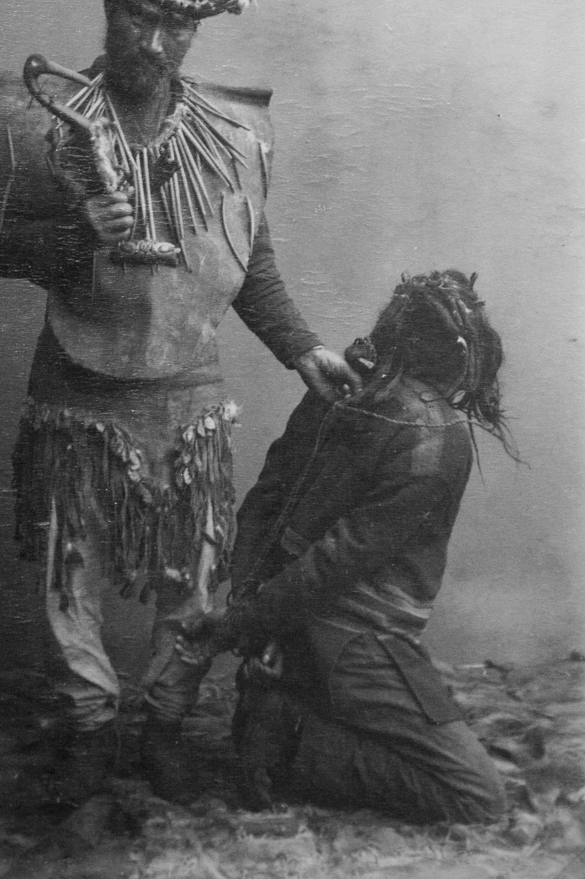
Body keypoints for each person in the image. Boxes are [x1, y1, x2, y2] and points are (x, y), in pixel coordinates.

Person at [0, 0, 358, 804]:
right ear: (108, 7)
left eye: (176, 28)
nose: (152, 43)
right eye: (137, 17)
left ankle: (164, 724)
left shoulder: (233, 136)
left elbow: (248, 261)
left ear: (198, 31)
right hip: (76, 387)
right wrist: (78, 230)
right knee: (70, 569)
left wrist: (302, 347)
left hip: (188, 390)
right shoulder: (43, 118)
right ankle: (89, 728)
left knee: (196, 570)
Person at [178, 270, 512, 823]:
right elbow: (334, 563)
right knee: (479, 799)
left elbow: (266, 500)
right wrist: (243, 626)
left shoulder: (338, 392)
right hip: (351, 645)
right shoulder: (438, 435)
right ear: (461, 352)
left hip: (287, 625)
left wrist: (247, 612)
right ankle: (291, 737)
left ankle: (280, 703)